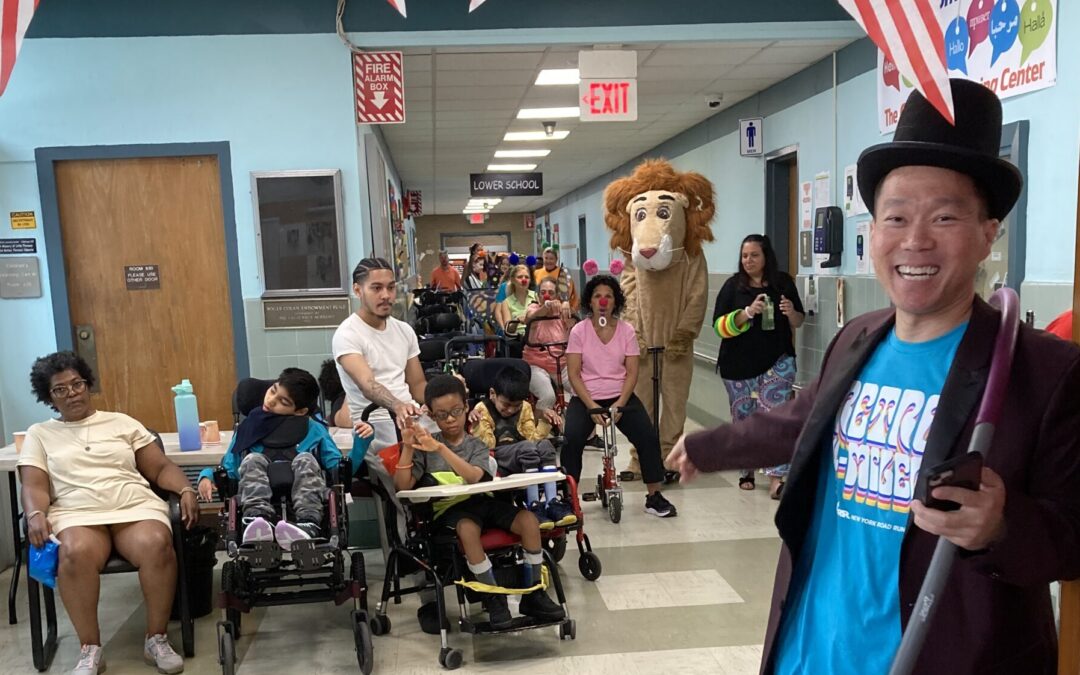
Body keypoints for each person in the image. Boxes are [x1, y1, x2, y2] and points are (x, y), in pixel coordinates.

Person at [667, 79, 1080, 674]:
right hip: (811, 650)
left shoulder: (1043, 371)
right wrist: (708, 445)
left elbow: (1072, 534)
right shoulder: (859, 336)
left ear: (989, 232)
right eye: (896, 216)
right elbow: (804, 418)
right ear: (872, 233)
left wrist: (1002, 525)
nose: (915, 240)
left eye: (944, 216)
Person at [18, 352, 197, 675]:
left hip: (133, 505)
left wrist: (185, 489)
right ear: (49, 397)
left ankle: (156, 639)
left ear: (88, 384)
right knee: (74, 552)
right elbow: (34, 484)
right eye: (60, 389)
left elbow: (159, 467)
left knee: (157, 542)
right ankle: (91, 650)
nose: (72, 392)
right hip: (76, 512)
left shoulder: (122, 422)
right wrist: (34, 514)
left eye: (77, 384)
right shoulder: (39, 434)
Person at [394, 375, 566, 629]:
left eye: (455, 411)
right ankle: (492, 596)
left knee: (528, 520)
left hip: (483, 501)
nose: (450, 419)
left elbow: (475, 476)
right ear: (431, 416)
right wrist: (409, 446)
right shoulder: (424, 447)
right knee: (467, 529)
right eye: (442, 415)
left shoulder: (476, 444)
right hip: (449, 509)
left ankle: (533, 594)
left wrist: (441, 450)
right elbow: (403, 486)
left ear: (466, 408)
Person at [196, 368, 372, 548]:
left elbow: (339, 472)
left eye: (283, 401)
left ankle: (308, 524)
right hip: (257, 495)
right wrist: (207, 476)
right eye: (273, 391)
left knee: (305, 459)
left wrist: (361, 443)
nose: (271, 401)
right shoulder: (247, 429)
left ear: (300, 411)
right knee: (251, 459)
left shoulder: (314, 430)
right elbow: (229, 469)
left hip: (306, 496)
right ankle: (257, 521)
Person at [564, 274, 677, 518]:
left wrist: (620, 404)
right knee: (572, 439)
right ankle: (567, 497)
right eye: (597, 296)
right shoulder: (579, 331)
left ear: (616, 302)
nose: (603, 301)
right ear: (590, 302)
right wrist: (592, 406)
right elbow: (574, 374)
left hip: (620, 396)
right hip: (586, 398)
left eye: (608, 296)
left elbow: (632, 373)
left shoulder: (626, 331)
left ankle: (654, 495)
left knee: (647, 437)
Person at [712, 233, 804, 498]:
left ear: (766, 257)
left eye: (754, 255)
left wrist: (791, 313)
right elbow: (718, 327)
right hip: (738, 363)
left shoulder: (782, 282)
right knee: (745, 417)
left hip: (778, 361)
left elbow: (798, 321)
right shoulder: (733, 286)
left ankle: (777, 478)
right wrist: (747, 313)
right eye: (744, 256)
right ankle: (747, 468)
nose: (748, 260)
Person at [333, 257, 428, 450]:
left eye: (390, 288)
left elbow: (418, 386)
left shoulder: (404, 330)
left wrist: (448, 399)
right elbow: (368, 385)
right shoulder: (347, 334)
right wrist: (397, 405)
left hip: (410, 416)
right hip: (373, 422)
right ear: (358, 290)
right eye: (376, 288)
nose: (386, 295)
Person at [470, 366, 575, 530]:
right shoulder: (482, 410)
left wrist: (545, 423)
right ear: (492, 394)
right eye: (506, 404)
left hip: (523, 452)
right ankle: (533, 504)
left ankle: (551, 502)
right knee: (526, 449)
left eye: (516, 406)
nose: (511, 409)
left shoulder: (525, 407)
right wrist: (477, 427)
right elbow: (487, 445)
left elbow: (531, 438)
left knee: (546, 445)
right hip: (496, 455)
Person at [523, 276, 575, 413]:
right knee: (548, 397)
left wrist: (567, 305)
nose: (546, 296)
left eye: (551, 293)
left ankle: (587, 432)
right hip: (536, 365)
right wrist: (546, 306)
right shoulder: (533, 307)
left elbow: (574, 322)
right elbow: (530, 316)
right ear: (538, 294)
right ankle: (541, 432)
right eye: (543, 292)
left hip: (562, 364)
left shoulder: (561, 312)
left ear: (557, 295)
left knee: (583, 391)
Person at [495, 263, 537, 346]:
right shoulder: (506, 302)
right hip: (518, 340)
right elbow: (509, 330)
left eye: (527, 277)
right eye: (520, 277)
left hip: (536, 338)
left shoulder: (536, 296)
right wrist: (517, 321)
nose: (524, 280)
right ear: (513, 280)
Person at [532, 247, 579, 312]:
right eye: (546, 258)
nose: (548, 261)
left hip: (561, 309)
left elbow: (568, 292)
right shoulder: (536, 273)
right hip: (542, 308)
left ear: (556, 260)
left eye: (551, 259)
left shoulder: (564, 272)